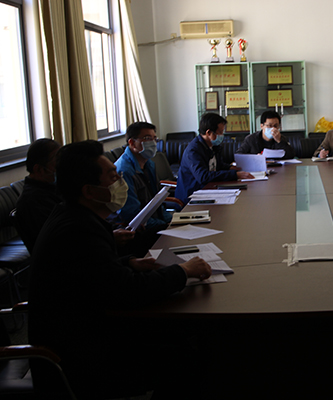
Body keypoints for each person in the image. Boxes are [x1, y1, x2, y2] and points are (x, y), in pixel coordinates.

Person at [28, 140, 212, 399]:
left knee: (184, 333)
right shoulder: (79, 230)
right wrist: (183, 271)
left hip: (90, 328)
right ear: (89, 191)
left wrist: (128, 262)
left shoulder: (74, 215)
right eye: (113, 177)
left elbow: (92, 272)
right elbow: (126, 291)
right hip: (81, 355)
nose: (120, 181)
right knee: (184, 357)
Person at [175, 112, 254, 203]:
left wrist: (231, 168)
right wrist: (234, 175)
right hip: (192, 195)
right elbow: (203, 177)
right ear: (208, 132)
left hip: (210, 189)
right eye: (220, 132)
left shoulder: (213, 146)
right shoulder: (193, 151)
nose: (222, 135)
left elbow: (217, 165)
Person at [115, 122, 171, 230]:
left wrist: (170, 221)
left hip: (156, 223)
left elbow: (157, 203)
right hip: (139, 231)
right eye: (147, 138)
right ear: (132, 143)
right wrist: (164, 226)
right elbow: (132, 216)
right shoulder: (124, 172)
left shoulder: (149, 164)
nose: (153, 143)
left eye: (154, 138)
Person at [15, 138, 62, 253]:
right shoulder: (32, 201)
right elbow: (57, 241)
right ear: (39, 169)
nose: (61, 169)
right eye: (56, 165)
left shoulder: (53, 189)